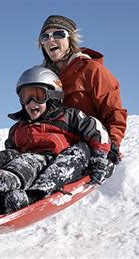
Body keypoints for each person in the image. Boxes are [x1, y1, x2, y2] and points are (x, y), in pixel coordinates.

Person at [0, 66, 113, 221]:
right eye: (26, 97)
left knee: (76, 151)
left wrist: (99, 160)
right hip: (21, 171)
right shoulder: (18, 129)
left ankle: (29, 194)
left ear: (54, 96)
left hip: (55, 165)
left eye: (38, 95)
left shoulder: (69, 117)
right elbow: (11, 156)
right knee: (9, 155)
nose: (32, 102)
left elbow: (98, 132)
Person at [37, 15, 127, 170]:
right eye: (45, 37)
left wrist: (112, 144)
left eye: (58, 34)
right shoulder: (42, 78)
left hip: (87, 144)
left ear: (70, 40)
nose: (51, 40)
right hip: (53, 144)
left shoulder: (91, 70)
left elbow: (113, 111)